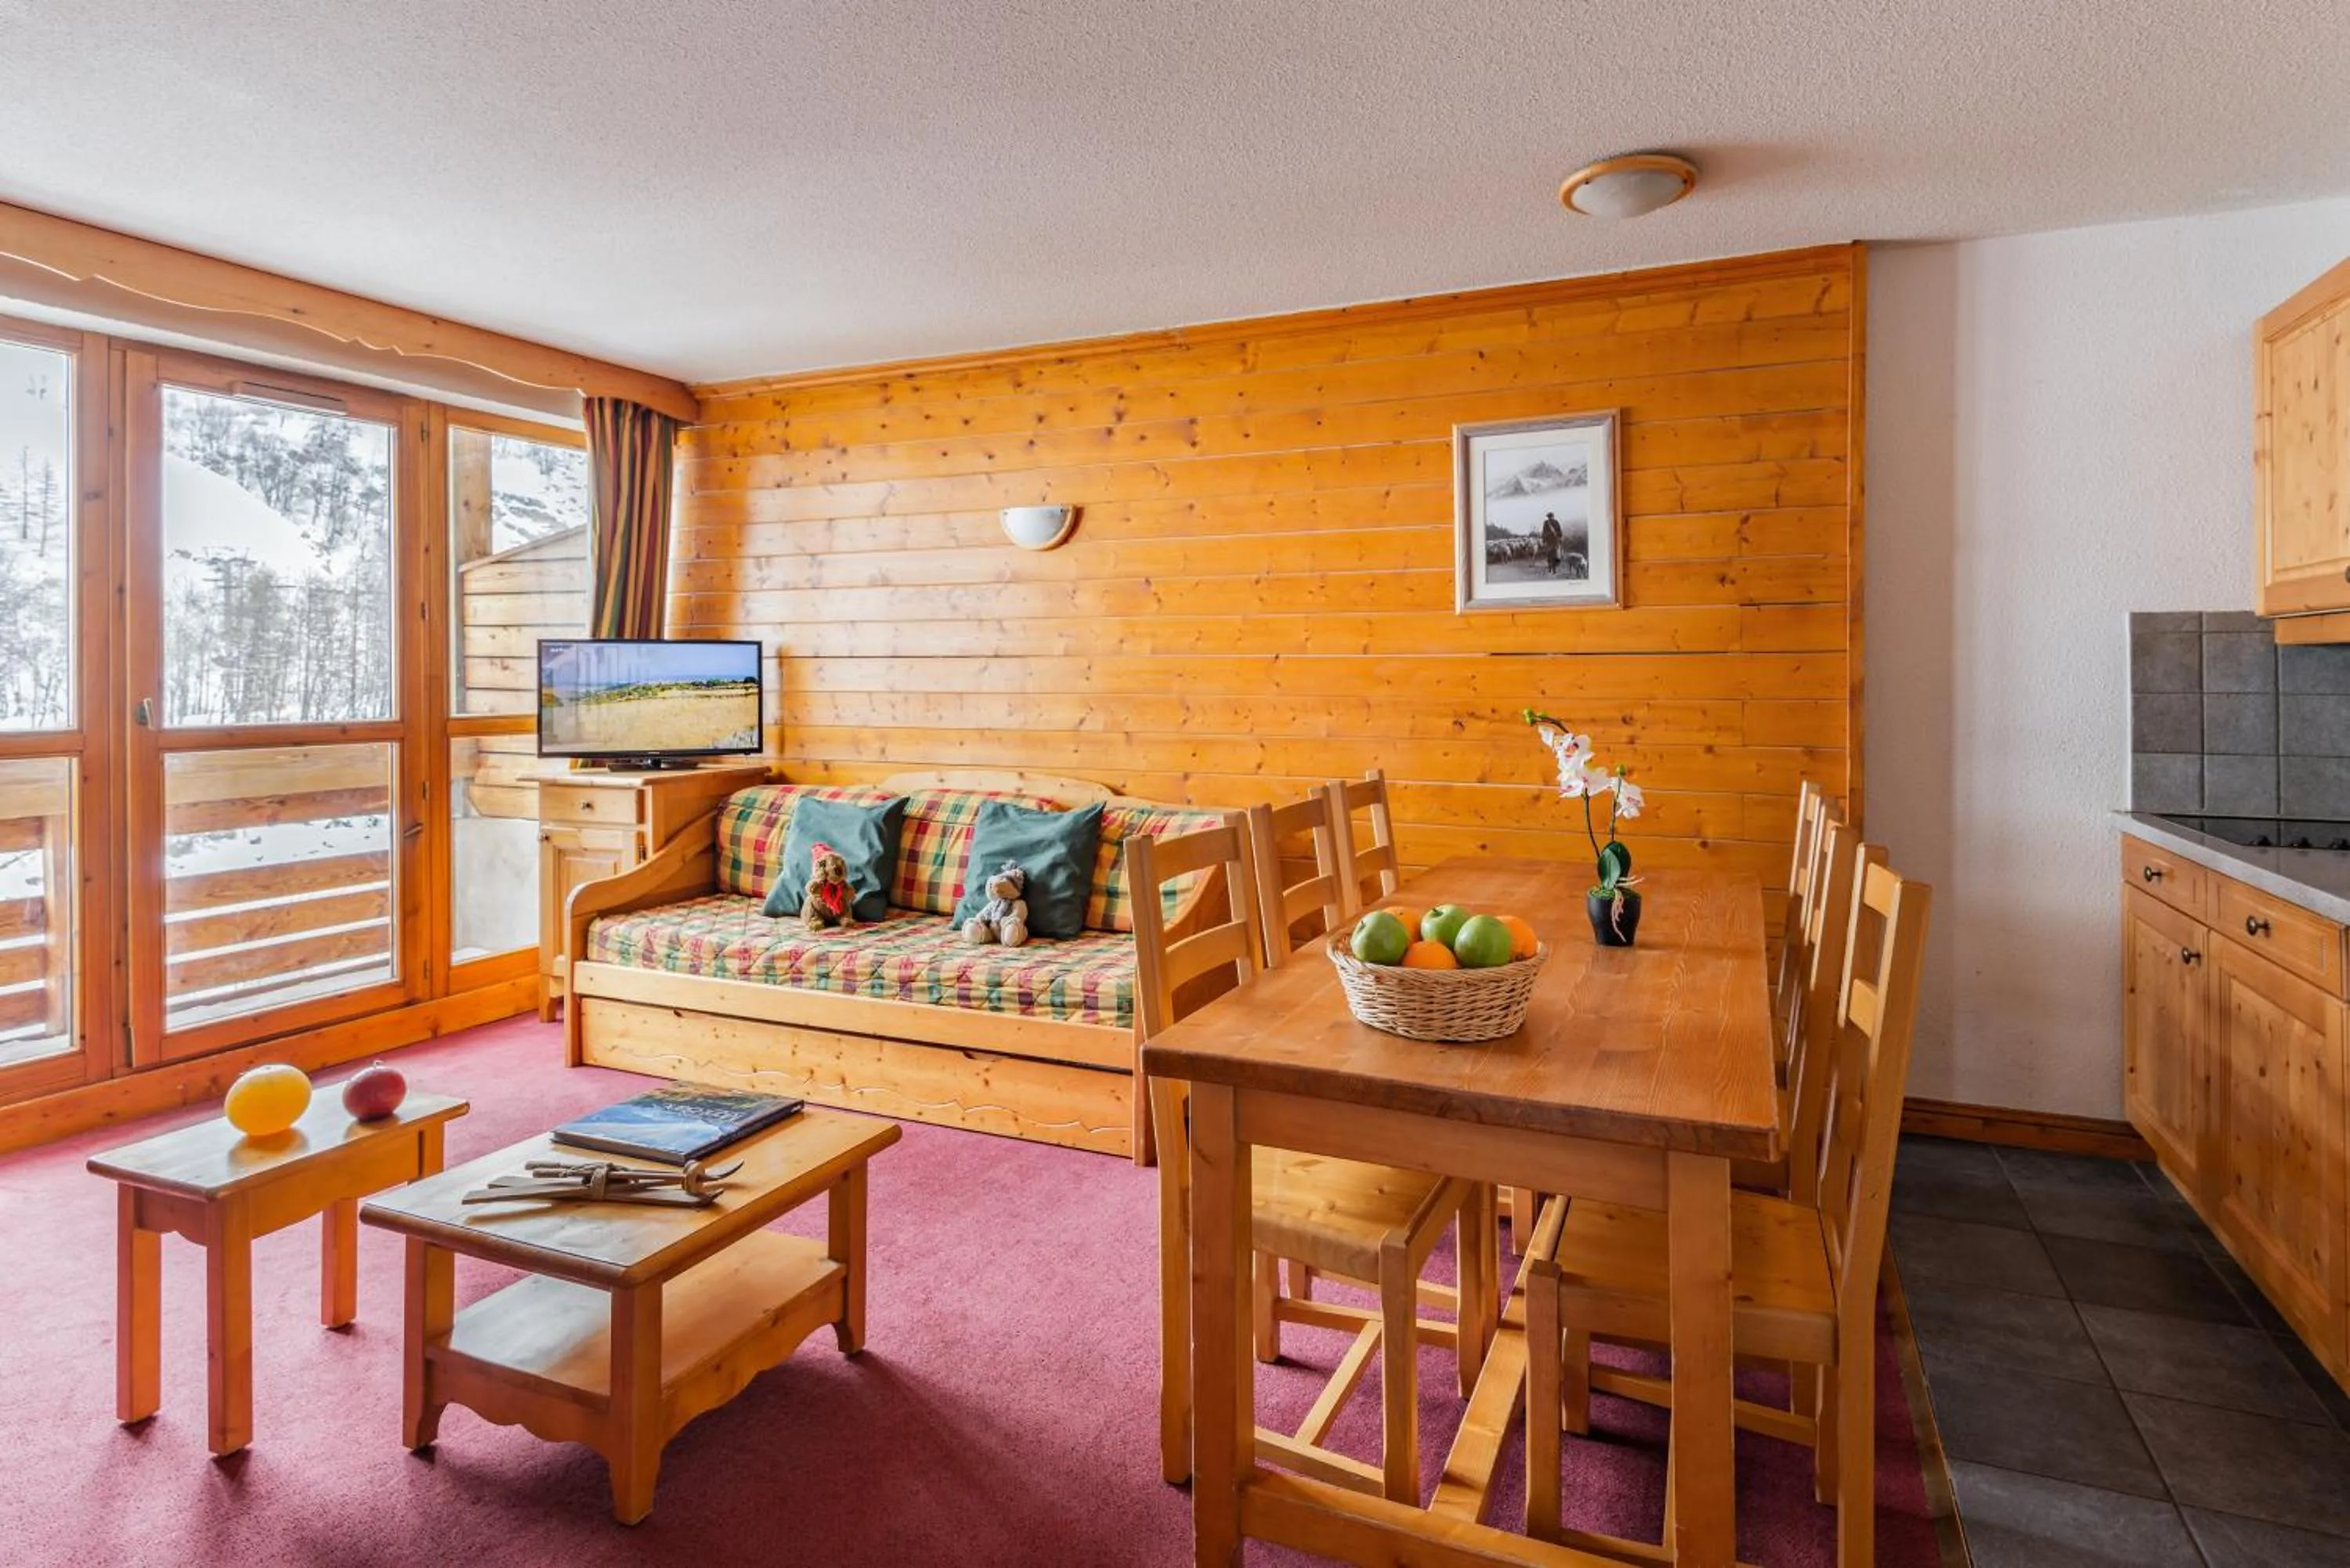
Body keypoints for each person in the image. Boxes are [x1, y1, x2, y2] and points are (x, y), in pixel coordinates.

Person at [1540, 512, 1564, 576]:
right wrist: (1545, 538)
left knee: (1556, 555)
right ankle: (1550, 568)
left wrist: (1559, 535)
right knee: (1548, 555)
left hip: (1556, 541)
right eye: (1549, 517)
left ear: (1553, 516)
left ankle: (1554, 568)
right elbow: (1544, 531)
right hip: (1548, 541)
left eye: (1551, 516)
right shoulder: (1546, 523)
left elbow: (1560, 531)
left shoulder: (1556, 522)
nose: (1550, 518)